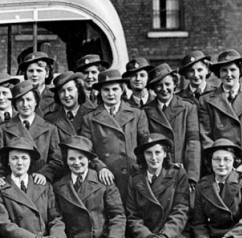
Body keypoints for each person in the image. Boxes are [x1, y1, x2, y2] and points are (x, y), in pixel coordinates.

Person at [198, 50, 242, 187]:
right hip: (219, 168)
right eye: (224, 70)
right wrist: (219, 163)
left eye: (233, 70)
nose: (229, 75)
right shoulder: (206, 100)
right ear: (218, 73)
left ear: (240, 71)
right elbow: (205, 135)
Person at [79, 69, 149, 198]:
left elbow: (145, 145)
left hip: (131, 175)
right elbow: (87, 150)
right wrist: (100, 167)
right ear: (100, 92)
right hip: (104, 176)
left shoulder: (137, 114)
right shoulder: (90, 118)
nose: (111, 94)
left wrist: (139, 168)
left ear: (122, 90)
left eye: (115, 89)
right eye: (106, 90)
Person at [0, 80, 62, 187]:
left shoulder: (50, 129)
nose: (25, 104)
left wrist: (44, 174)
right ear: (15, 104)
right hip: (12, 185)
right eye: (20, 100)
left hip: (40, 185)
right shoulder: (3, 129)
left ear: (36, 102)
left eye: (29, 99)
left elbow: (57, 160)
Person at [142, 63, 201, 188]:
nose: (164, 89)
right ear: (153, 88)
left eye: (167, 84)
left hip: (182, 171)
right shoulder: (145, 111)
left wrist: (192, 176)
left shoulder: (188, 107)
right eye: (159, 85)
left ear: (175, 84)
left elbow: (193, 143)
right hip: (157, 171)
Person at [44, 71, 95, 144]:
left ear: (78, 91)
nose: (66, 95)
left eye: (70, 89)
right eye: (62, 91)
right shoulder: (50, 120)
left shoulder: (92, 115)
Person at [19, 51, 58, 117]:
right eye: (31, 71)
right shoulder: (19, 97)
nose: (34, 74)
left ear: (47, 73)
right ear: (26, 73)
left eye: (39, 70)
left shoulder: (56, 98)